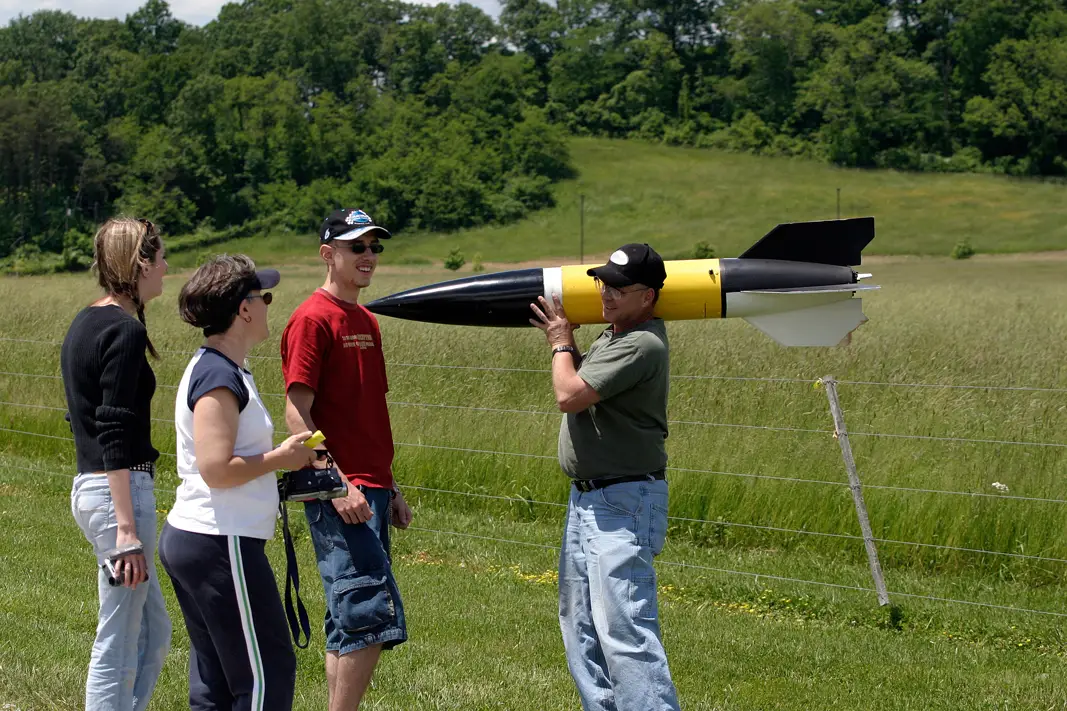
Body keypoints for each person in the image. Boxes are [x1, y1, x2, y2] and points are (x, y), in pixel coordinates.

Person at [158, 254, 317, 711]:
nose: (269, 304)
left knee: (217, 682)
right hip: (218, 539)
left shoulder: (223, 369)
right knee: (265, 673)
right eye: (264, 297)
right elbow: (216, 468)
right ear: (244, 310)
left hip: (207, 538)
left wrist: (280, 462)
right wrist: (283, 457)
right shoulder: (217, 376)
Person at [529, 243, 681, 711]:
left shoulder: (641, 343)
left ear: (648, 297)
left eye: (620, 287)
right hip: (591, 499)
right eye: (603, 283)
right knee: (580, 624)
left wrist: (559, 343)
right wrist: (572, 343)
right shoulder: (613, 335)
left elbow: (569, 395)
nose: (607, 294)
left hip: (623, 502)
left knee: (624, 629)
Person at [280, 208, 412, 711]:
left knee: (347, 620)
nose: (369, 256)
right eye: (357, 247)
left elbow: (368, 411)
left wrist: (391, 486)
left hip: (372, 486)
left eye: (375, 247)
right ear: (327, 254)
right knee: (368, 614)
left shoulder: (366, 320)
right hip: (341, 490)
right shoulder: (312, 318)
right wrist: (338, 484)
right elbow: (297, 411)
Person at [61, 217, 173, 711]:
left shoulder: (86, 321)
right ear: (140, 262)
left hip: (96, 489)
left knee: (152, 630)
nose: (168, 268)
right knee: (120, 641)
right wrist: (126, 529)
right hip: (119, 495)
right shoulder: (124, 330)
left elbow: (78, 415)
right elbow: (111, 428)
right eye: (161, 257)